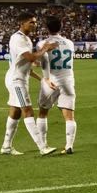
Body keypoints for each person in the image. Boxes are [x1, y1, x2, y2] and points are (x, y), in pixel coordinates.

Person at [1, 13, 58, 156]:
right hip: (16, 81)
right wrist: (45, 48)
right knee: (28, 110)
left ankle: (6, 147)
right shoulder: (17, 38)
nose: (34, 25)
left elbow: (29, 64)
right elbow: (31, 57)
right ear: (22, 23)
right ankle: (42, 147)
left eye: (35, 22)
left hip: (20, 78)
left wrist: (42, 79)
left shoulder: (26, 39)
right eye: (31, 22)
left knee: (16, 111)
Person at [35, 16, 79, 154]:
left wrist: (46, 78)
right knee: (69, 116)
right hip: (68, 81)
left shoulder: (42, 43)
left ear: (47, 28)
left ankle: (43, 144)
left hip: (51, 81)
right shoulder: (70, 43)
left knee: (43, 113)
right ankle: (69, 145)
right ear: (61, 26)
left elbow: (44, 62)